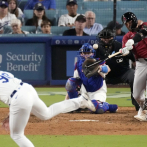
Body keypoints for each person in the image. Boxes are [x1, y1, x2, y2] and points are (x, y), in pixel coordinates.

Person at [0, 70, 95, 147]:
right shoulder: (2, 73)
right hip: (27, 89)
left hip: (18, 99)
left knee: (17, 135)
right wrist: (11, 115)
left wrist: (12, 114)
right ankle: (81, 101)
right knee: (46, 114)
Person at [65, 43, 118, 114]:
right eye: (84, 53)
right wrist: (67, 100)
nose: (86, 55)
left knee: (98, 109)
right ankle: (75, 106)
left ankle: (108, 106)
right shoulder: (78, 64)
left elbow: (108, 69)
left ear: (92, 53)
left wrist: (100, 68)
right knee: (70, 81)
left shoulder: (98, 62)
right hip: (85, 93)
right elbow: (74, 83)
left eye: (88, 53)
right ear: (81, 54)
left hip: (98, 92)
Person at [95, 27, 140, 111]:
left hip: (123, 73)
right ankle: (94, 103)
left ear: (112, 38)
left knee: (134, 75)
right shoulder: (96, 49)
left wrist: (138, 71)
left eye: (108, 38)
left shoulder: (120, 47)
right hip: (105, 76)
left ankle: (138, 104)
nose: (105, 40)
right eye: (103, 38)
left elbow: (134, 60)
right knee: (91, 76)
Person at [120, 12, 147, 121]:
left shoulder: (144, 25)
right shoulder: (126, 37)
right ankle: (143, 108)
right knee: (136, 95)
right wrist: (125, 52)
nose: (128, 25)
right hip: (140, 63)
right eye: (126, 24)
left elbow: (143, 33)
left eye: (129, 22)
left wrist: (133, 41)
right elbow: (129, 54)